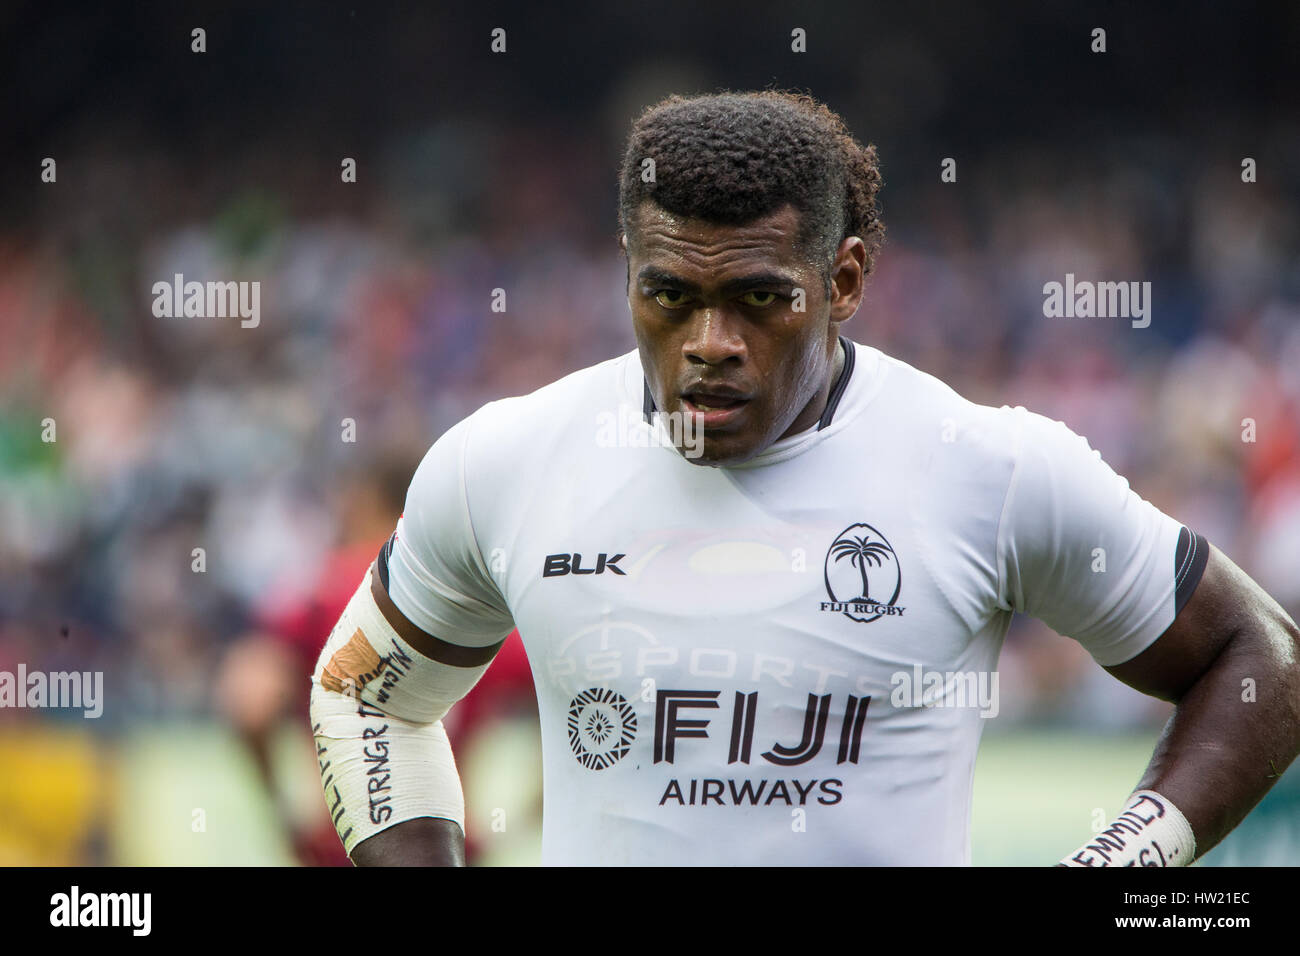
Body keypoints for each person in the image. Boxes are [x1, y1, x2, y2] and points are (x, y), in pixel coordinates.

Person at [309, 89, 1300, 866]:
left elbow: (1260, 658)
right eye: (667, 296)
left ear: (847, 280)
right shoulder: (509, 460)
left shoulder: (988, 467)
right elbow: (365, 695)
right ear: (626, 270)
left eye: (758, 299)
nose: (708, 344)